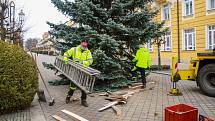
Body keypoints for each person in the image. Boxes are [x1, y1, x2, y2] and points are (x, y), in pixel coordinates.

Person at [63, 40, 93, 107]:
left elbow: (90, 61)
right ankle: (68, 97)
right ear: (81, 43)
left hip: (83, 71)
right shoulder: (74, 49)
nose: (85, 44)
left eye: (86, 43)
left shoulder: (88, 52)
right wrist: (66, 60)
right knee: (73, 86)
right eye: (83, 42)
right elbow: (66, 54)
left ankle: (83, 100)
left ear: (87, 44)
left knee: (84, 86)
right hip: (75, 71)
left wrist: (82, 63)